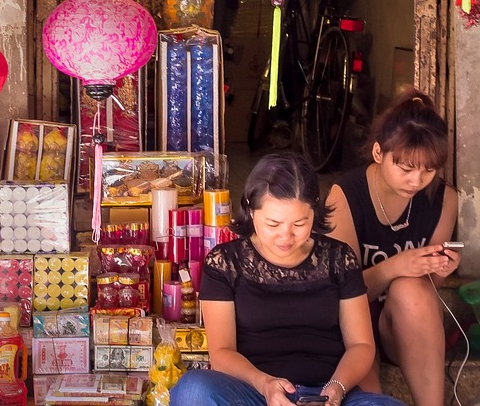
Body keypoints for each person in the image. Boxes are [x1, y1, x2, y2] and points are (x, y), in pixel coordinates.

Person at [171, 153, 404, 406]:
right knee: (193, 389)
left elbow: (361, 345)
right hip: (256, 393)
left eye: (300, 223)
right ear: (250, 209)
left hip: (329, 394)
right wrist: (265, 384)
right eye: (273, 224)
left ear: (314, 212)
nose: (286, 236)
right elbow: (221, 353)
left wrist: (336, 388)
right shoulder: (225, 262)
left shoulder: (340, 258)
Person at [325, 90, 459, 406]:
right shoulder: (346, 194)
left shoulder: (445, 199)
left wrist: (439, 269)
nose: (417, 180)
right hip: (352, 322)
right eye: (406, 168)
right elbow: (338, 293)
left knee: (411, 290)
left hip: (405, 326)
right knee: (368, 391)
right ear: (378, 152)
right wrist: (394, 267)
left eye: (428, 170)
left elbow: (426, 293)